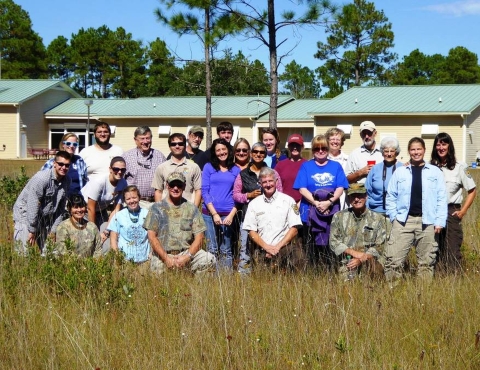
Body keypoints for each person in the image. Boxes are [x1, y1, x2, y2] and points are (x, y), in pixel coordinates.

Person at [385, 137, 447, 282]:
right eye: (413, 149)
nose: (416, 152)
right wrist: (394, 217)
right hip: (403, 221)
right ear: (409, 151)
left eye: (419, 149)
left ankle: (423, 295)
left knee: (426, 262)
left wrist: (439, 221)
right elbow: (391, 196)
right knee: (393, 260)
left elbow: (441, 198)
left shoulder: (435, 172)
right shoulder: (400, 172)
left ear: (424, 150)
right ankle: (392, 292)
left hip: (427, 221)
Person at [293, 134, 348, 270]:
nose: (321, 150)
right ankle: (313, 275)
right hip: (309, 213)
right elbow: (302, 188)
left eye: (323, 147)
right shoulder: (306, 166)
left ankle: (329, 273)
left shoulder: (336, 166)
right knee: (310, 248)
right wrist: (316, 203)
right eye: (317, 148)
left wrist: (329, 202)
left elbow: (340, 187)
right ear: (312, 150)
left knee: (330, 246)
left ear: (328, 148)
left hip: (331, 212)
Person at [144, 172, 216, 274]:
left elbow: (199, 237)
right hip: (164, 253)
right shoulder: (156, 208)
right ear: (167, 186)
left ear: (184, 186)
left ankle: (198, 289)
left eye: (179, 185)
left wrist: (187, 257)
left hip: (186, 252)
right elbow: (152, 237)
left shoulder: (192, 209)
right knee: (157, 270)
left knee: (209, 259)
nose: (176, 188)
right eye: (172, 185)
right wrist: (166, 259)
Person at [243, 167, 306, 272]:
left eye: (270, 181)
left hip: (284, 247)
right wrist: (267, 247)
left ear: (276, 181)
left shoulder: (288, 201)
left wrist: (277, 247)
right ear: (260, 184)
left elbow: (294, 228)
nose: (268, 185)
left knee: (299, 257)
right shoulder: (254, 204)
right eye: (264, 182)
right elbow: (251, 231)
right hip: (262, 248)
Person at [233, 142, 283, 273]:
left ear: (265, 155)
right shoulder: (243, 174)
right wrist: (248, 196)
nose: (258, 154)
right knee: (245, 248)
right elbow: (236, 195)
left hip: (269, 218)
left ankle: (266, 275)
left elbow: (280, 194)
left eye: (261, 152)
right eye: (255, 152)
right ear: (251, 153)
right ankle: (245, 279)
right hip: (249, 218)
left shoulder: (273, 173)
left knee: (268, 248)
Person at [430, 132, 476, 274]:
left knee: (452, 247)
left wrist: (463, 211)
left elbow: (472, 190)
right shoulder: (430, 167)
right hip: (432, 212)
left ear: (449, 146)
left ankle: (453, 278)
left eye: (444, 144)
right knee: (434, 247)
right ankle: (436, 277)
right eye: (438, 144)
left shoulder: (459, 167)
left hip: (451, 211)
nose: (441, 147)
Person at [13, 151, 72, 254]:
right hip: (26, 213)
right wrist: (32, 230)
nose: (64, 167)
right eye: (61, 164)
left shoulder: (67, 180)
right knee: (24, 252)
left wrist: (53, 231)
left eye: (67, 165)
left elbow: (60, 209)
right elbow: (32, 204)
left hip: (46, 216)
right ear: (54, 163)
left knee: (50, 252)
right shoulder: (42, 178)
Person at [330, 183, 386, 281]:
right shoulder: (338, 217)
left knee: (373, 285)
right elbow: (333, 242)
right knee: (346, 290)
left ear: (366, 196)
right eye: (353, 196)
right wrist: (353, 253)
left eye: (359, 195)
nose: (356, 199)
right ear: (349, 198)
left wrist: (362, 259)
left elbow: (380, 245)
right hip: (347, 262)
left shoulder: (378, 218)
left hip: (371, 261)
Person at [201, 139, 240, 269]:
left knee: (226, 249)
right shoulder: (208, 167)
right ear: (214, 152)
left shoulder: (235, 169)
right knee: (212, 248)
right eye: (218, 150)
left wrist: (231, 215)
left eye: (224, 149)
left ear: (228, 150)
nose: (221, 152)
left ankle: (226, 280)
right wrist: (214, 213)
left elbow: (238, 193)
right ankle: (212, 280)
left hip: (228, 214)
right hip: (210, 214)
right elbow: (204, 191)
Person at [152, 133, 202, 206]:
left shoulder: (194, 167)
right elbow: (158, 191)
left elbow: (198, 190)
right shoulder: (161, 167)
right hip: (167, 209)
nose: (177, 146)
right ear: (170, 147)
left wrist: (194, 210)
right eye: (173, 144)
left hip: (187, 209)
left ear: (185, 146)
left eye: (180, 144)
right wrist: (160, 211)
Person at [81, 156, 128, 233]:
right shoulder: (99, 182)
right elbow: (90, 208)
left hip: (101, 211)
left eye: (123, 170)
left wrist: (107, 230)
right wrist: (94, 231)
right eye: (116, 169)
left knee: (107, 233)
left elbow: (116, 209)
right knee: (90, 235)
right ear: (110, 169)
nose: (119, 172)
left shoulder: (123, 183)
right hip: (85, 210)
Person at [123, 126, 166, 208]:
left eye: (148, 138)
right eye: (142, 138)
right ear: (135, 140)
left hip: (155, 202)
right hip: (134, 203)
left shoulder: (160, 156)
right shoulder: (126, 157)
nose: (145, 141)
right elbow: (120, 181)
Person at [107, 185, 150, 265]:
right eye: (128, 199)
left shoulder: (147, 214)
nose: (132, 201)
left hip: (145, 260)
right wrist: (118, 257)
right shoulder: (118, 216)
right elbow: (113, 239)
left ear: (139, 198)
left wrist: (151, 255)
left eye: (134, 197)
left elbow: (153, 237)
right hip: (125, 261)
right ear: (124, 201)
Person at [365, 137, 402, 221]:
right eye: (386, 151)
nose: (389, 154)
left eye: (392, 151)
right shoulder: (375, 169)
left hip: (396, 213)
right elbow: (367, 191)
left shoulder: (403, 168)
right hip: (375, 212)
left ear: (396, 152)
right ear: (382, 152)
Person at [41, 132, 88, 197]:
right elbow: (41, 181)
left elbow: (85, 181)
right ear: (63, 145)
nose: (71, 146)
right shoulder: (51, 163)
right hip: (56, 200)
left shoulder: (79, 161)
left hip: (76, 202)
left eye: (74, 144)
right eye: (68, 143)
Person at [274, 134, 306, 205]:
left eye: (297, 145)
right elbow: (275, 185)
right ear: (288, 147)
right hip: (284, 203)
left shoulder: (307, 165)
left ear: (302, 147)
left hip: (302, 203)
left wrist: (301, 202)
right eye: (292, 145)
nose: (295, 148)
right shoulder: (280, 165)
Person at [326, 127, 349, 209]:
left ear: (342, 142)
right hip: (324, 201)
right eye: (332, 139)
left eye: (338, 139)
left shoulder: (348, 160)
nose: (335, 142)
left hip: (344, 201)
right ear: (327, 141)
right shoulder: (320, 160)